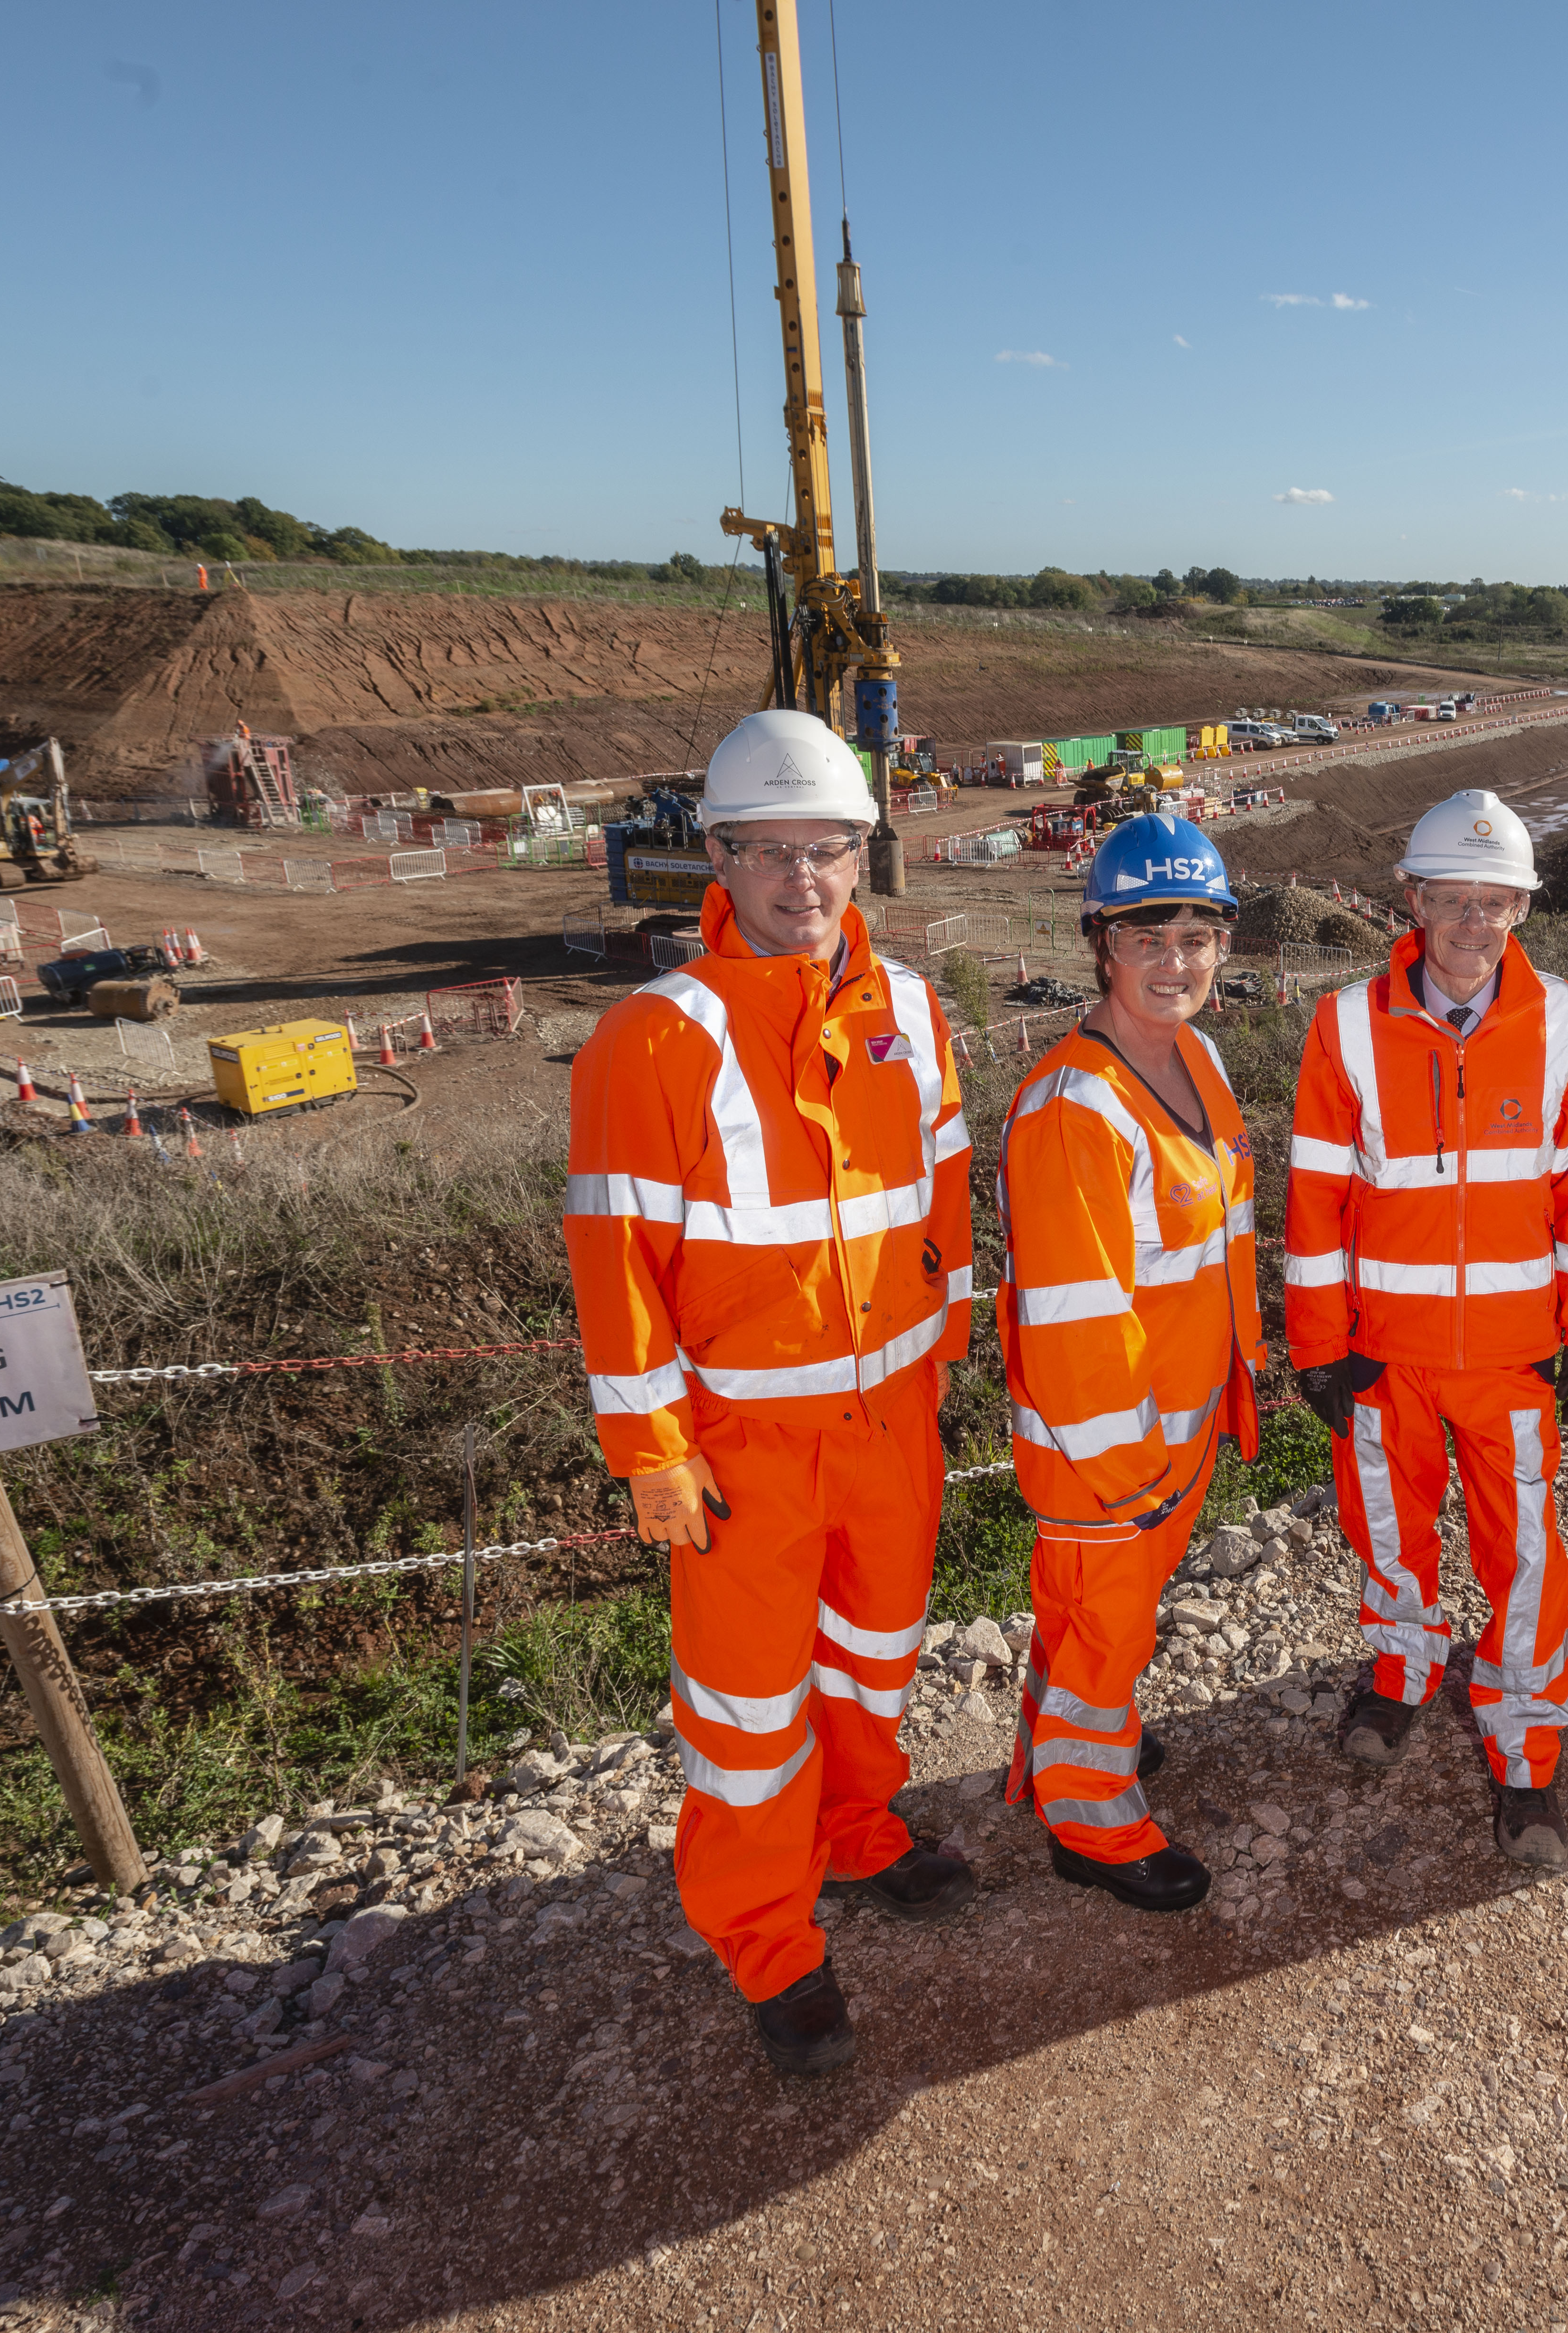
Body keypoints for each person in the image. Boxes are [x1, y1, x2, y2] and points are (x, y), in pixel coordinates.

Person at [563, 708, 978, 2076]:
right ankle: (769, 1940)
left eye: (832, 850)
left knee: (873, 1660)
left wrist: (947, 1348)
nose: (805, 880)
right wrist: (652, 1452)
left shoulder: (911, 1010)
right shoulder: (653, 1036)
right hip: (742, 1448)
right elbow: (615, 1256)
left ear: (867, 852)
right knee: (746, 1714)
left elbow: (947, 1190)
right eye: (772, 851)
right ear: (720, 859)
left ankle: (860, 1833)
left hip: (892, 1425)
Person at [1283, 788, 1568, 1869]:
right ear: (1412, 899)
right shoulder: (1342, 1024)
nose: (1471, 922)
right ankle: (1399, 1673)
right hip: (1386, 1358)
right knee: (1389, 1532)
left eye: (1495, 901)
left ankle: (1524, 1752)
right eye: (1451, 899)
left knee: (1524, 1560)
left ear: (1521, 907)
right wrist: (1320, 1343)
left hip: (1515, 1360)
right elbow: (1316, 1198)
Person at [999, 815, 1264, 1915]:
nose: (1174, 959)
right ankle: (1087, 1815)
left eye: (1197, 934)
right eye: (1145, 934)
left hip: (1175, 1425)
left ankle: (1064, 1734)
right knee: (1107, 1624)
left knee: (1098, 1621)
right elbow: (1073, 1318)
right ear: (1098, 944)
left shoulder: (1192, 1059)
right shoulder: (1075, 1108)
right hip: (1109, 1448)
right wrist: (1128, 1470)